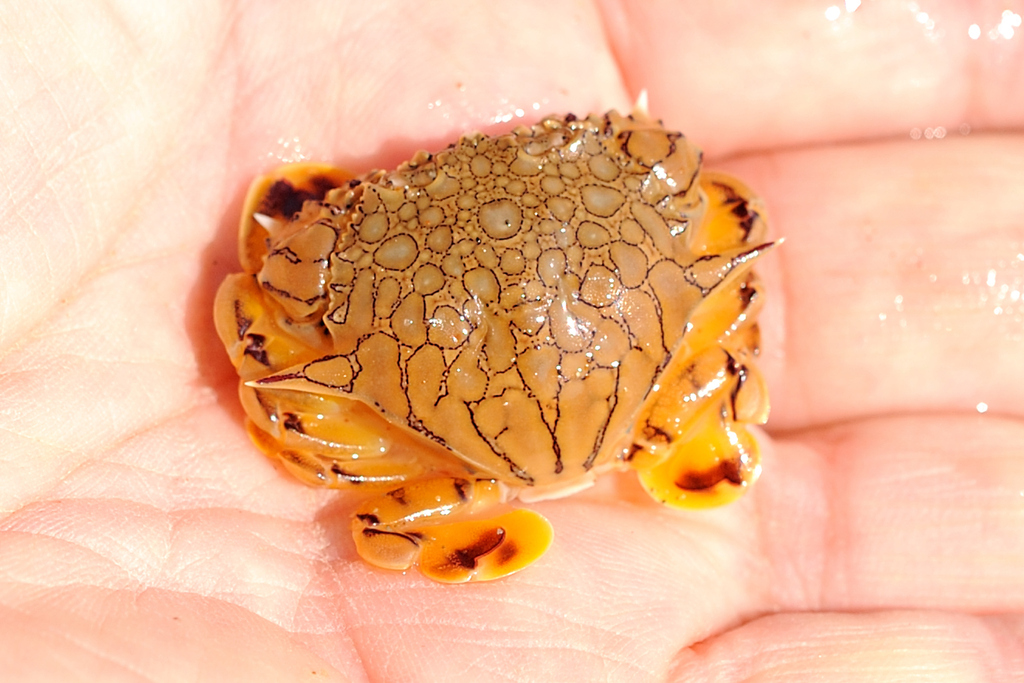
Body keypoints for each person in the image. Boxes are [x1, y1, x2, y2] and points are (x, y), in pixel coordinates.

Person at [1, 1, 1021, 680]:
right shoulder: (659, 225)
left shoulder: (322, 253)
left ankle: (435, 521)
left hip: (431, 480)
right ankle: (702, 443)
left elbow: (272, 352)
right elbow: (726, 241)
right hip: (661, 415)